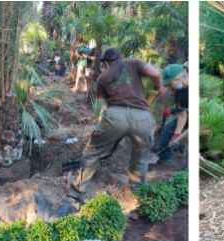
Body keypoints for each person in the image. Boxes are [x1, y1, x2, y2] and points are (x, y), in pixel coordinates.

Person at [71, 48, 164, 198]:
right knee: (141, 156)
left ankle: (79, 189)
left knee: (92, 152)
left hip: (116, 115)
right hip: (143, 117)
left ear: (106, 63)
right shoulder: (134, 63)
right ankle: (136, 194)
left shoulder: (102, 78)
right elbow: (156, 74)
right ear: (121, 56)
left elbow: (106, 103)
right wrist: (158, 87)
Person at [154, 63, 187, 163]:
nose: (168, 86)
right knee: (167, 128)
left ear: (177, 79)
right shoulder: (179, 91)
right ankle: (165, 156)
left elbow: (184, 114)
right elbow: (182, 112)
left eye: (169, 83)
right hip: (186, 114)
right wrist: (172, 110)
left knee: (171, 132)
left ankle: (175, 153)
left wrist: (177, 134)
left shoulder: (188, 92)